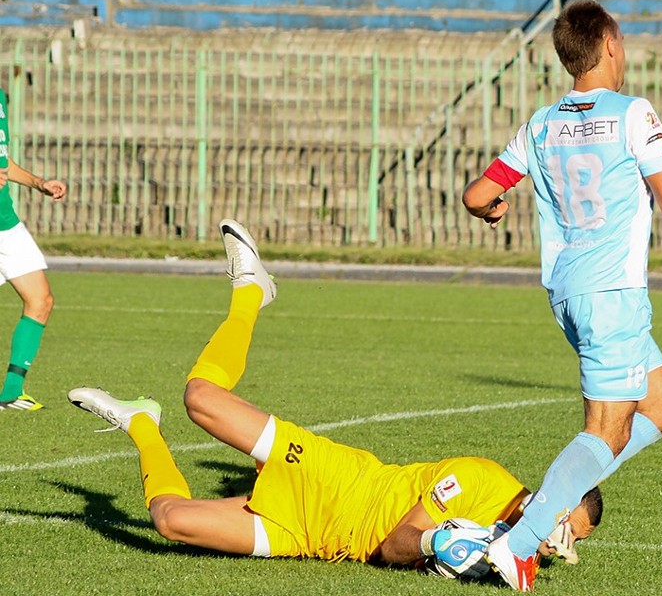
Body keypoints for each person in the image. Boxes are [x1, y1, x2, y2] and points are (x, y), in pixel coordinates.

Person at [68, 219, 602, 577]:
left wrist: (465, 553)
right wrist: (435, 544)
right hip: (328, 475)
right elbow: (398, 544)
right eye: (563, 526)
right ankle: (251, 290)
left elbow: (385, 558)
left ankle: (141, 424)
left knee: (169, 521)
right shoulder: (482, 479)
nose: (556, 545)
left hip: (310, 535)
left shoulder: (507, 556)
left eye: (567, 543)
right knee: (201, 397)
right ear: (553, 494)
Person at [462, 0, 662, 591]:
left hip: (569, 293)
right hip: (612, 294)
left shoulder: (538, 124)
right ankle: (522, 539)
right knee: (605, 433)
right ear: (610, 45)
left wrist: (493, 209)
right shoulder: (633, 113)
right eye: (624, 41)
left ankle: (552, 504)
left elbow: (477, 193)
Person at [0, 87, 67, 411]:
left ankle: (11, 392)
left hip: (6, 223)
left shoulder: (1, 95)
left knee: (40, 300)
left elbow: (3, 161)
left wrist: (39, 183)